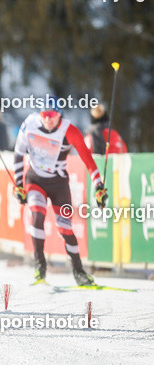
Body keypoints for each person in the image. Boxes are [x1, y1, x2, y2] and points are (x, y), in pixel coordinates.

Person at [12, 96, 108, 286]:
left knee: (65, 228)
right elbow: (18, 154)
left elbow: (88, 160)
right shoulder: (29, 125)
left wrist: (98, 186)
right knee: (37, 216)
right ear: (39, 114)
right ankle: (40, 266)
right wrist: (19, 184)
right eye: (44, 114)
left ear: (59, 114)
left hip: (58, 184)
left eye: (52, 114)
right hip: (35, 180)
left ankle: (79, 272)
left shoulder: (69, 131)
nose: (48, 119)